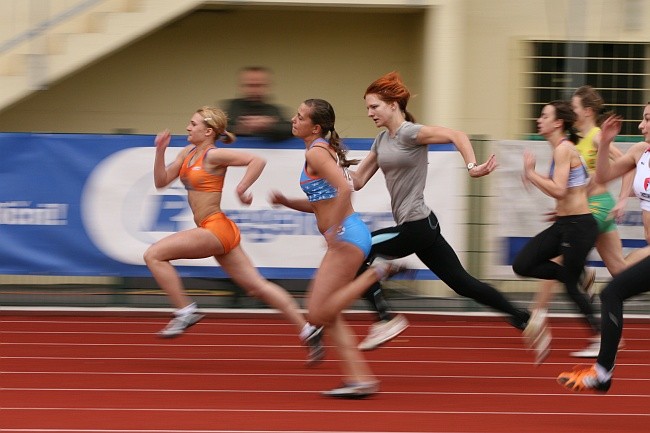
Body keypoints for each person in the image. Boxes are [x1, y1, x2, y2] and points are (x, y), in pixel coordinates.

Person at [349, 71, 531, 344]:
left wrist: (472, 166)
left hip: (416, 224)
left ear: (393, 104)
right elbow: (359, 180)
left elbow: (457, 135)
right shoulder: (381, 141)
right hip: (422, 226)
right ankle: (523, 317)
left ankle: (385, 320)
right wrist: (331, 166)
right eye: (367, 108)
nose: (369, 113)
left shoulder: (411, 133)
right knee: (461, 283)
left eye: (374, 107)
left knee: (357, 249)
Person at [143, 106, 323, 366]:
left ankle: (185, 311)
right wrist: (160, 151)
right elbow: (161, 181)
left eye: (193, 124)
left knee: (154, 254)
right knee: (257, 286)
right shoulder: (187, 153)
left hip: (214, 228)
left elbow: (257, 160)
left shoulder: (214, 155)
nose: (187, 128)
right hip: (218, 230)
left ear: (208, 131)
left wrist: (241, 187)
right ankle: (308, 329)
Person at [269, 98, 405, 399]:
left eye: (300, 116)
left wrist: (335, 227)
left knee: (317, 313)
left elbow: (345, 189)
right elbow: (322, 203)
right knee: (329, 316)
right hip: (348, 236)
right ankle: (361, 380)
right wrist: (288, 202)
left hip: (347, 237)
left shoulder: (317, 153)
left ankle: (375, 273)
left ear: (315, 127)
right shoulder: (319, 151)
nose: (293, 119)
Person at [528, 86, 636, 360]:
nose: (571, 111)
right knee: (620, 269)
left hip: (599, 206)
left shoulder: (598, 136)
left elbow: (628, 164)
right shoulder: (575, 141)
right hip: (587, 207)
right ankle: (585, 277)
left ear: (587, 112)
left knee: (564, 258)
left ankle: (537, 315)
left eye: (574, 108)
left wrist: (623, 199)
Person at [557, 107, 650, 393]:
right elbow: (604, 175)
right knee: (612, 293)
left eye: (647, 119)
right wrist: (607, 142)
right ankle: (602, 373)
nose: (640, 125)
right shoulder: (640, 152)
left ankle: (602, 372)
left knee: (612, 292)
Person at [513, 100, 599, 364]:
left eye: (544, 116)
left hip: (579, 227)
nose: (539, 120)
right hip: (564, 224)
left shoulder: (564, 149)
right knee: (523, 263)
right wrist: (561, 208)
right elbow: (573, 189)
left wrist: (531, 174)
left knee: (571, 287)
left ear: (557, 123)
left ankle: (603, 336)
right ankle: (575, 274)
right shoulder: (561, 150)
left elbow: (560, 189)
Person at [222, 66, 293, 141]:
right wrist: (238, 129)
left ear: (267, 86)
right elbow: (215, 129)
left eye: (259, 85)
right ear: (241, 86)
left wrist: (269, 126)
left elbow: (291, 129)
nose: (255, 90)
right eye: (250, 85)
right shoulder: (231, 108)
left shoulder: (274, 110)